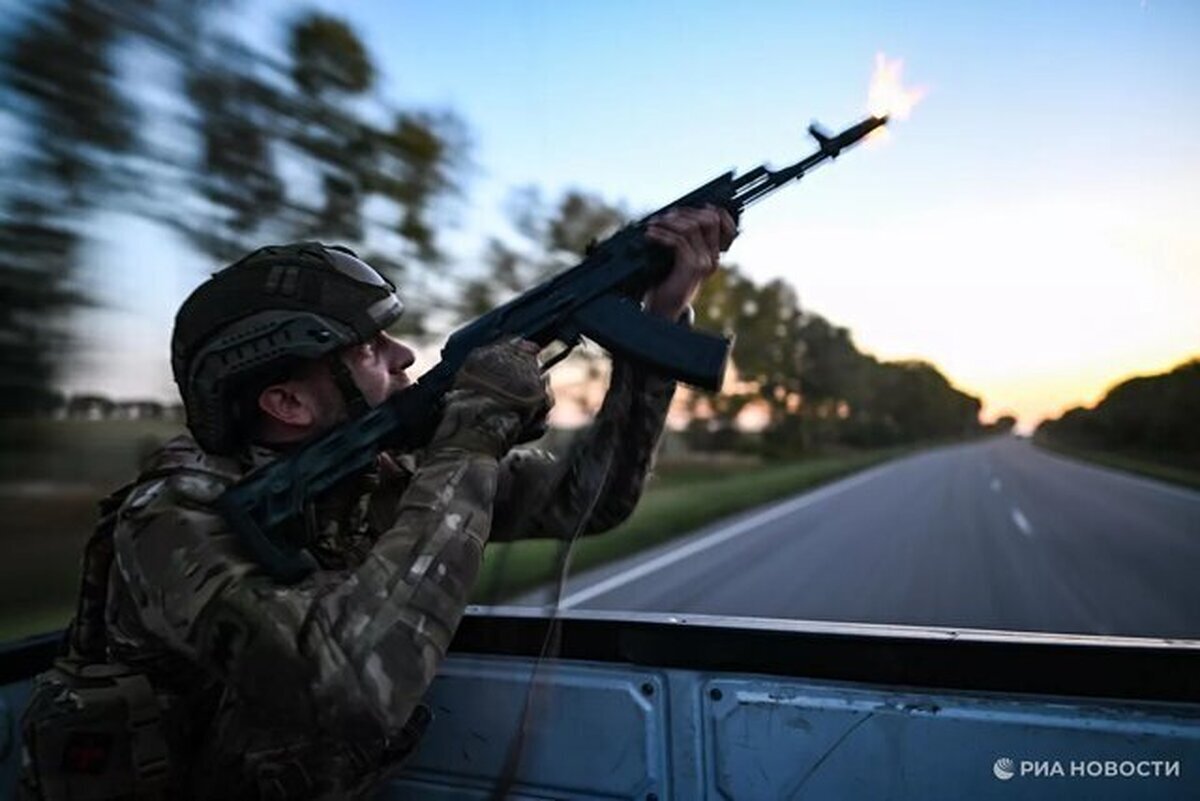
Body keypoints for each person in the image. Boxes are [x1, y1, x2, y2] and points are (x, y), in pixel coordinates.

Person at [19, 207, 735, 800]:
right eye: (367, 346)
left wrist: (658, 325)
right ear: (287, 400)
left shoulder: (383, 461)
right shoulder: (173, 518)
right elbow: (354, 687)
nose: (401, 356)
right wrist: (470, 440)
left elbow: (590, 500)